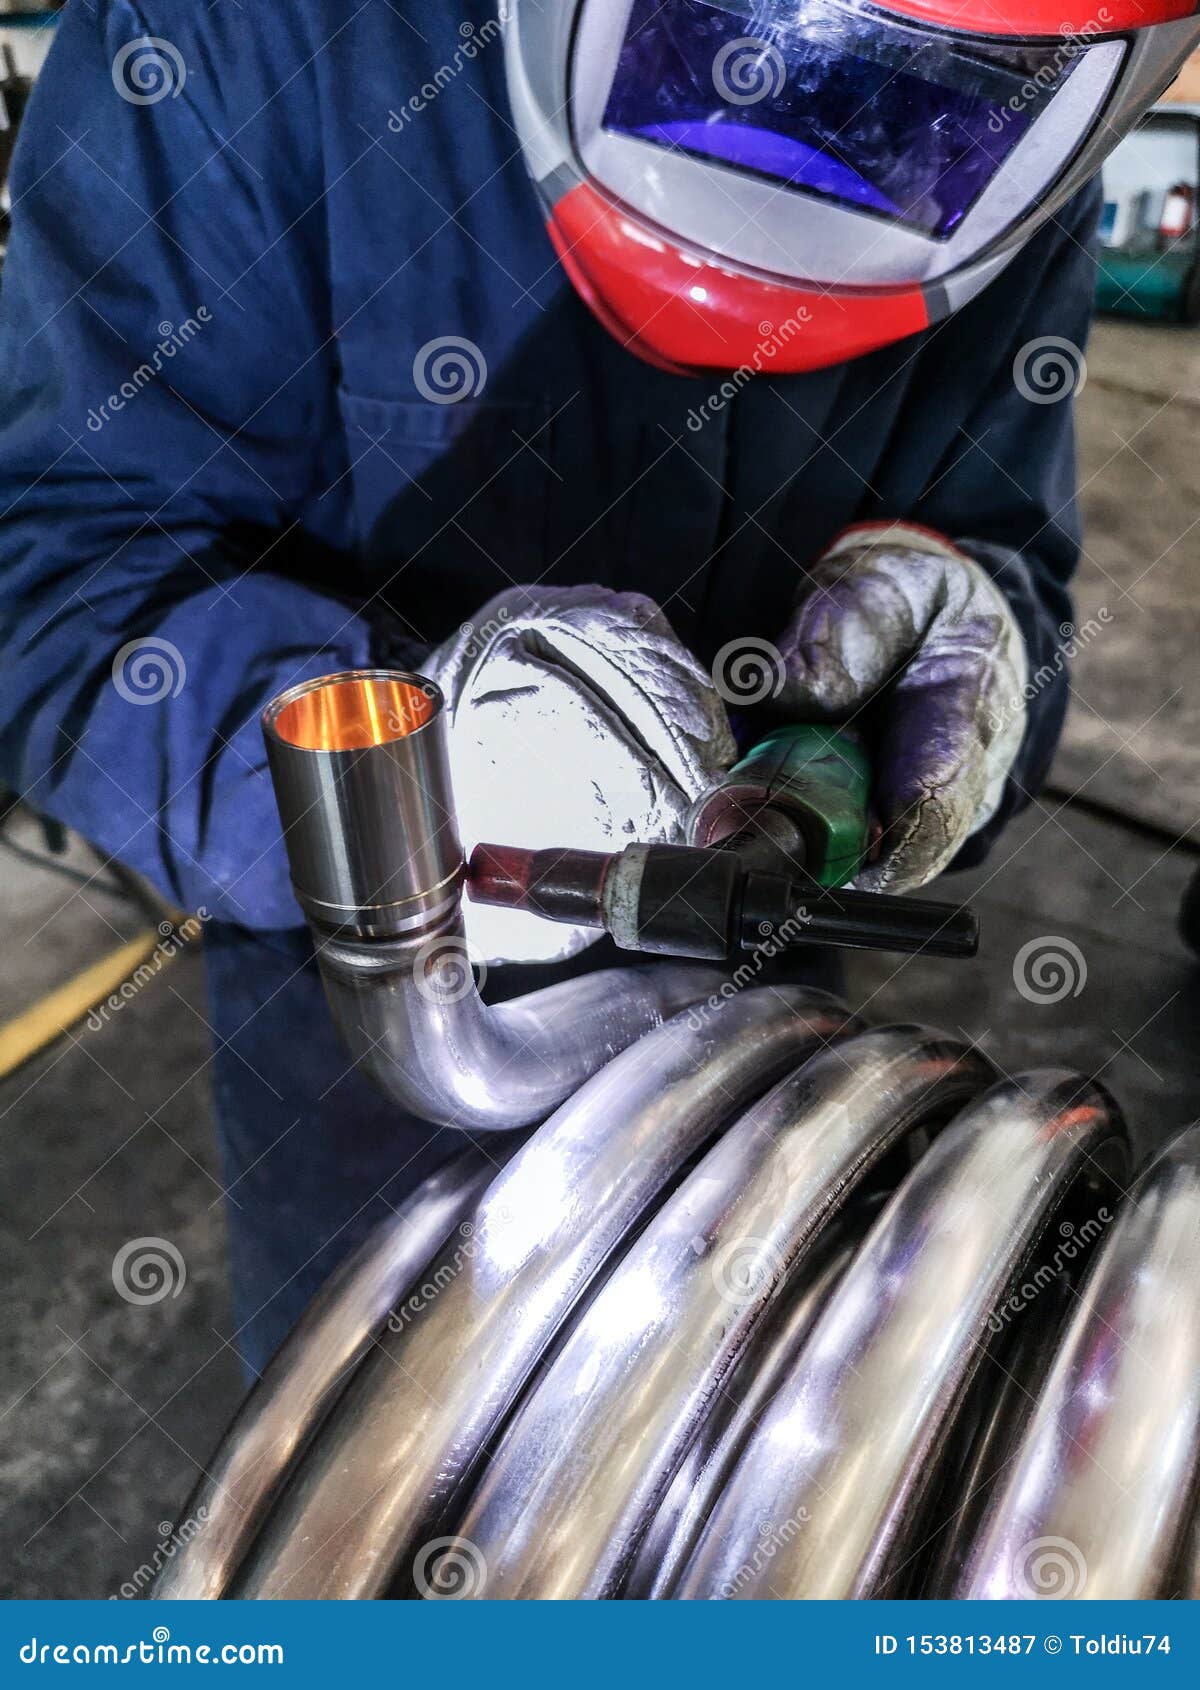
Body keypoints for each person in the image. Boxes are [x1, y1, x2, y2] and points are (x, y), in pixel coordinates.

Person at [1, 1, 1192, 1372]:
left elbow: (1005, 555)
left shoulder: (1036, 97)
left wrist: (971, 654)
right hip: (387, 1040)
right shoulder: (250, 32)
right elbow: (62, 574)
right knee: (373, 1521)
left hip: (767, 989)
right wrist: (417, 791)